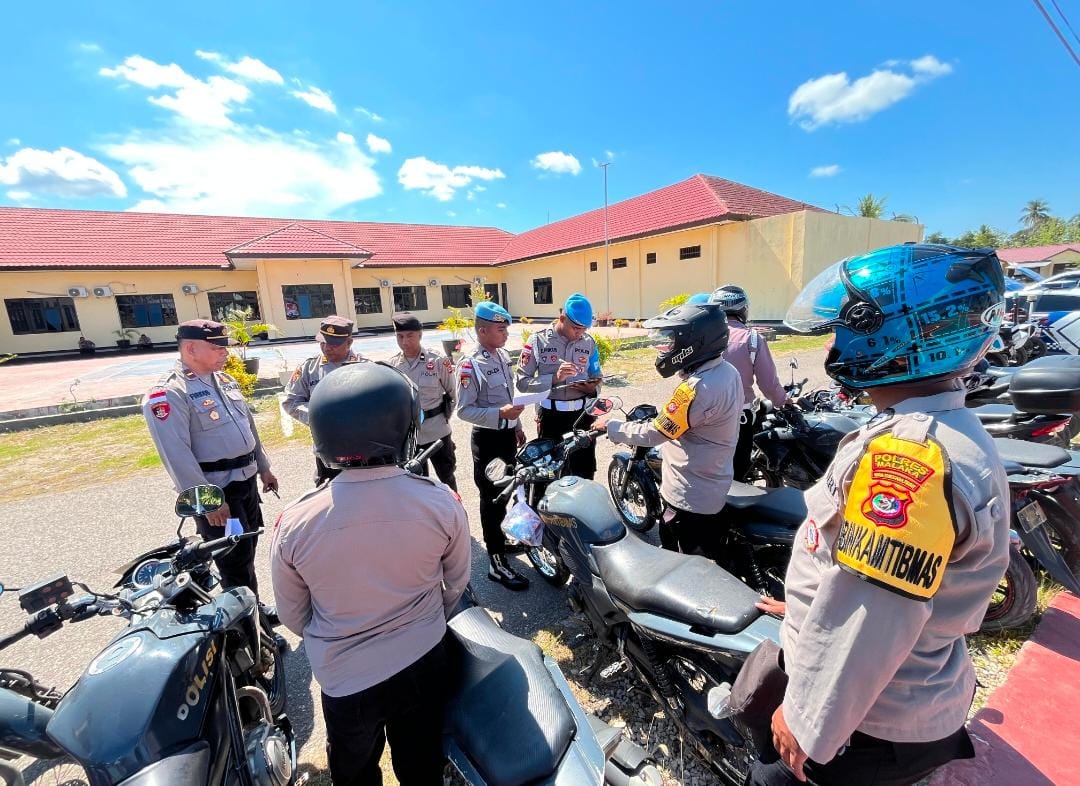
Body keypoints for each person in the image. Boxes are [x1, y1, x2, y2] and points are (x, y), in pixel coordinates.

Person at [745, 244, 1011, 785]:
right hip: (909, 703)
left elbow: (871, 614)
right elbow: (867, 578)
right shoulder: (938, 430)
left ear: (893, 339)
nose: (833, 342)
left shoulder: (908, 457)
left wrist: (805, 720)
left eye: (845, 329)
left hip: (865, 726)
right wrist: (804, 605)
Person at [270, 362, 470, 786]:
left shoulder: (295, 522)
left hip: (345, 677)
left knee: (354, 768)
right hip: (423, 657)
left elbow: (292, 616)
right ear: (403, 428)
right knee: (421, 763)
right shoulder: (440, 503)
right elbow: (455, 585)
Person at [142, 319, 279, 598]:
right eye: (217, 347)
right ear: (191, 349)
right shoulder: (168, 393)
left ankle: (251, 610)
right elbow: (176, 455)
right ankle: (247, 628)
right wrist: (207, 501)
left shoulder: (224, 380)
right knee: (232, 562)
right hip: (219, 493)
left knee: (247, 549)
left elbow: (248, 428)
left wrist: (264, 467)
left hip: (245, 484)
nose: (225, 353)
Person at [594, 301, 743, 557]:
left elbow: (655, 433)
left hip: (689, 495)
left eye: (671, 342)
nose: (665, 348)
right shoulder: (728, 371)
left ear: (695, 343)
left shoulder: (695, 388)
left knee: (686, 567)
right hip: (713, 481)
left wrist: (612, 425)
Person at [455, 300, 529, 590]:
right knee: (492, 499)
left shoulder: (500, 356)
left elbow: (507, 397)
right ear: (483, 331)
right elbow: (463, 410)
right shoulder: (471, 365)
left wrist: (517, 425)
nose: (506, 334)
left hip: (507, 436)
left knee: (507, 491)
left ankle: (501, 542)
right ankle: (496, 564)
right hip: (487, 440)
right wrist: (500, 415)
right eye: (501, 329)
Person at [515, 292, 602, 480]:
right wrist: (554, 377)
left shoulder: (589, 343)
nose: (580, 333)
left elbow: (597, 375)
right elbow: (522, 382)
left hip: (582, 417)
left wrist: (592, 388)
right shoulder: (538, 341)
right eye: (575, 328)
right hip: (551, 418)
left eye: (584, 329)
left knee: (584, 473)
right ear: (562, 318)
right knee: (551, 476)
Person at [708, 285, 789, 481]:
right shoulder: (752, 339)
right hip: (738, 416)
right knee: (736, 469)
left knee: (707, 464)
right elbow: (768, 384)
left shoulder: (703, 337)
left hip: (702, 413)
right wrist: (784, 402)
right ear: (744, 310)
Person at [282, 315, 362, 484]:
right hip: (326, 451)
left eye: (333, 343)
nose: (326, 348)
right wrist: (319, 417)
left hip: (360, 450)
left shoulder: (365, 367)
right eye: (322, 342)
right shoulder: (308, 368)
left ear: (349, 342)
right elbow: (291, 402)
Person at [388, 311, 458, 490]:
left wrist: (443, 419)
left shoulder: (437, 361)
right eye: (400, 336)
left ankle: (455, 515)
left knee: (447, 479)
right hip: (410, 437)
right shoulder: (392, 366)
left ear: (420, 335)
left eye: (410, 336)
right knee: (417, 484)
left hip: (437, 432)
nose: (405, 341)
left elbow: (452, 395)